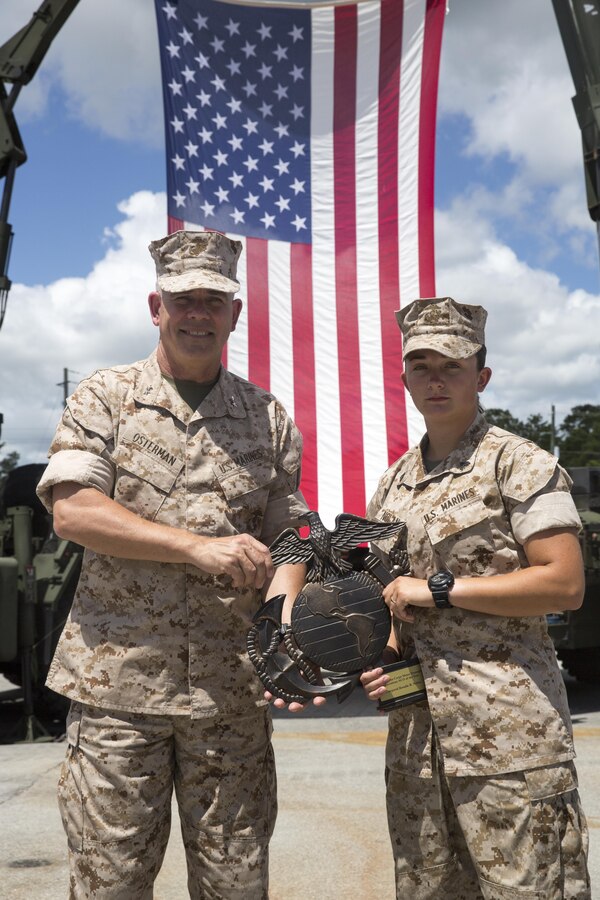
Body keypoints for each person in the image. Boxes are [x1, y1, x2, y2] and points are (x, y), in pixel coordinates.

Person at [36, 230, 310, 899]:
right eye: (183, 298)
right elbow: (72, 511)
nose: (197, 313)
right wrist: (193, 546)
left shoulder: (265, 417)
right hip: (118, 698)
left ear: (234, 315)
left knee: (237, 885)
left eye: (213, 301)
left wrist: (285, 609)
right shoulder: (106, 397)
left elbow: (294, 532)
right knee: (111, 884)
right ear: (155, 306)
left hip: (230, 699)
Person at [360, 297, 591, 900]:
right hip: (418, 742)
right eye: (421, 366)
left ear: (481, 376)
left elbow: (563, 583)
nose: (435, 380)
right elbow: (389, 593)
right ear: (404, 376)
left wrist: (439, 589)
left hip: (509, 739)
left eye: (452, 366)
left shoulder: (518, 463)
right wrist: (380, 656)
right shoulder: (393, 483)